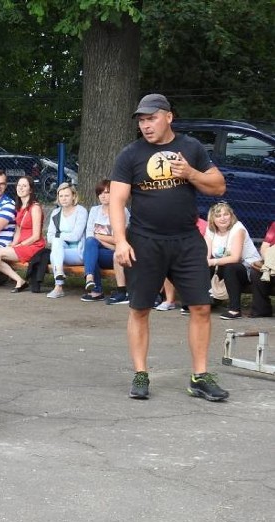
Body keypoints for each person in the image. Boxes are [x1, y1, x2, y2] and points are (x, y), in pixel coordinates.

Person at [109, 93, 229, 401]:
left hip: (186, 240)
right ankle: (140, 374)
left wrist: (190, 173)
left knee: (201, 307)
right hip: (144, 241)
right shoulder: (130, 154)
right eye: (142, 120)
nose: (146, 126)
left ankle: (200, 377)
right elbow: (117, 200)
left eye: (151, 119)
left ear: (169, 117)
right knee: (140, 309)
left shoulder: (190, 148)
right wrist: (121, 241)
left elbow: (218, 186)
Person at [0, 176, 45, 292]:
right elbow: (18, 230)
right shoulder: (19, 207)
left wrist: (20, 245)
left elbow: (36, 236)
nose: (21, 188)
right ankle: (20, 281)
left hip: (33, 245)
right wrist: (13, 244)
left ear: (30, 190)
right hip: (22, 245)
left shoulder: (35, 207)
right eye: (19, 185)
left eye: (24, 186)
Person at [204, 201, 261, 320]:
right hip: (224, 265)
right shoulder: (210, 230)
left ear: (231, 215)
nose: (223, 218)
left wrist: (212, 262)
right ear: (212, 219)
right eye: (218, 216)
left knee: (230, 267)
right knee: (204, 266)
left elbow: (235, 258)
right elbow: (206, 255)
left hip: (249, 268)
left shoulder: (238, 228)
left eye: (226, 214)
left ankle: (235, 310)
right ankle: (199, 303)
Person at [81, 179, 129, 302]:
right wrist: (101, 239)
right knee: (91, 245)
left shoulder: (122, 211)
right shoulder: (94, 210)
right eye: (100, 193)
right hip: (99, 251)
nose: (103, 196)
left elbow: (118, 239)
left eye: (107, 192)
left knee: (92, 248)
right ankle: (92, 281)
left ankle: (95, 289)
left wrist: (99, 237)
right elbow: (89, 235)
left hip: (114, 253)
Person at [45, 182, 88, 299]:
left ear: (74, 196)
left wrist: (59, 235)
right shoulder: (56, 213)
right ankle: (59, 275)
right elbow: (49, 237)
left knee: (56, 247)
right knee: (56, 246)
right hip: (61, 254)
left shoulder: (81, 211)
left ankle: (58, 286)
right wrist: (59, 238)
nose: (63, 199)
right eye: (61, 196)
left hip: (78, 252)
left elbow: (76, 236)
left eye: (67, 195)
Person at [249, 220, 275, 318]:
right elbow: (264, 247)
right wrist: (268, 261)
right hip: (271, 263)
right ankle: (262, 310)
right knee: (256, 272)